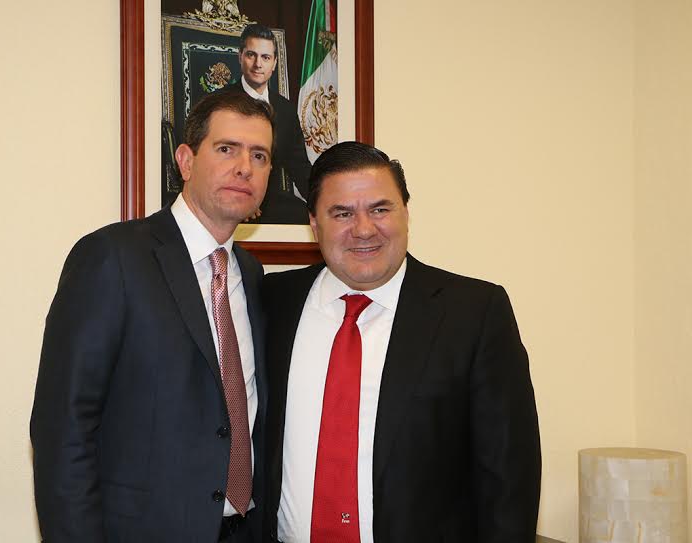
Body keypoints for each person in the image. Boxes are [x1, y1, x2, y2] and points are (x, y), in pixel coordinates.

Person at [263, 141, 541, 542]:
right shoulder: (272, 301)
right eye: (342, 213)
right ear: (314, 223)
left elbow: (509, 479)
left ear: (406, 213)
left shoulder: (474, 313)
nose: (364, 229)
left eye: (380, 209)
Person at [30, 90, 273, 543]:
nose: (245, 167)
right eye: (226, 149)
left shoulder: (253, 274)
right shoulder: (112, 258)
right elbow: (63, 428)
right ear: (186, 160)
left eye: (259, 155)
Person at [233, 23, 312, 225]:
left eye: (266, 57)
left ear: (275, 63)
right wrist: (241, 197)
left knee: (314, 221)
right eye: (251, 55)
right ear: (240, 56)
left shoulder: (285, 109)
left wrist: (323, 203)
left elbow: (300, 167)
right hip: (231, 194)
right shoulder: (219, 103)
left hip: (272, 201)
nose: (258, 64)